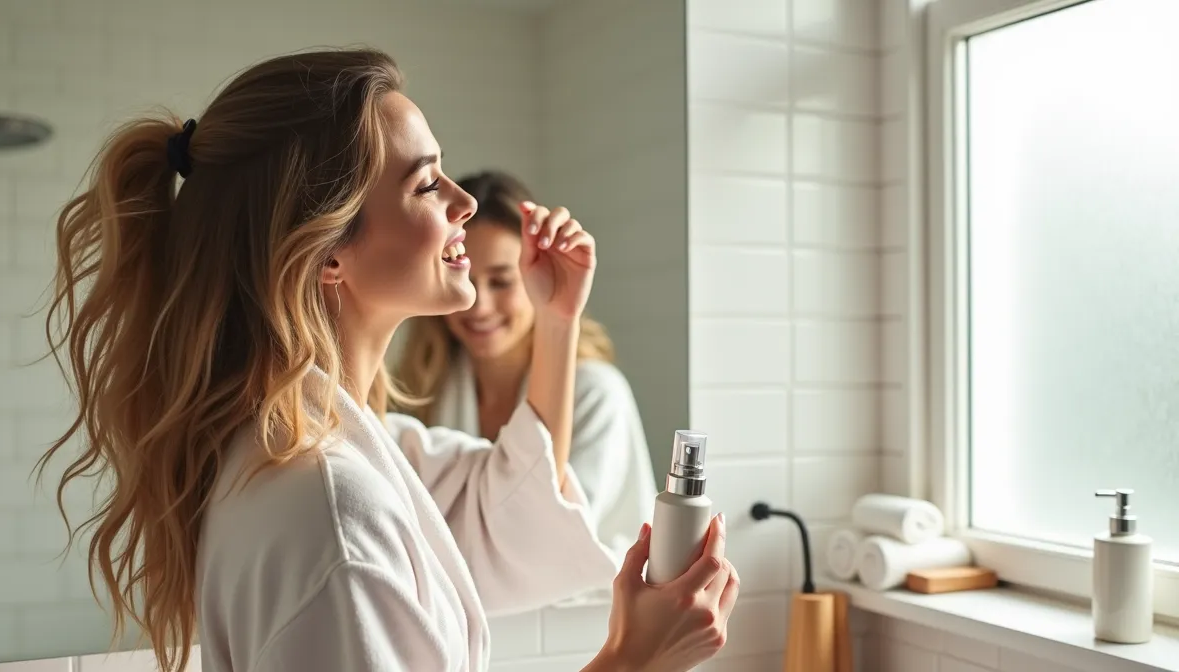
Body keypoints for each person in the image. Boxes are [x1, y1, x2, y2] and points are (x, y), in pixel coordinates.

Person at [36, 48, 739, 672]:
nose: (464, 202)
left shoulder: (331, 447)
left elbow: (508, 511)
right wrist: (634, 659)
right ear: (328, 250)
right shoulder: (332, 516)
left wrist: (555, 326)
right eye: (428, 184)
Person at [395, 170, 657, 554]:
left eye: (502, 282)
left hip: (591, 611)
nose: (478, 304)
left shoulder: (597, 393)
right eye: (463, 275)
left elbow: (546, 539)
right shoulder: (428, 386)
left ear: (538, 275)